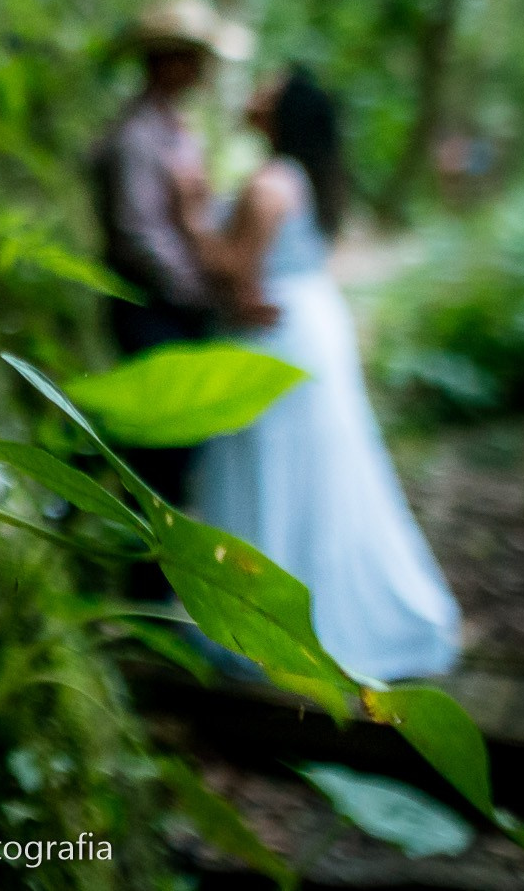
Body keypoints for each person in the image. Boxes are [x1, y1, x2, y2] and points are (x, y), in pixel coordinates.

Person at [174, 66, 462, 683]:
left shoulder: (272, 183)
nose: (254, 93)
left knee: (275, 469)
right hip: (306, 325)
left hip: (276, 337)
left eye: (267, 89)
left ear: (283, 112)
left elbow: (231, 269)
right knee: (313, 472)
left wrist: (191, 212)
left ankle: (275, 628)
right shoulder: (304, 179)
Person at [90, 0, 254, 513]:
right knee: (160, 452)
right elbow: (139, 238)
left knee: (179, 445)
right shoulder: (138, 135)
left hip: (176, 305)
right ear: (169, 62)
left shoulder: (173, 128)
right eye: (194, 59)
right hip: (153, 307)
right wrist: (199, 287)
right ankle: (147, 582)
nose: (202, 72)